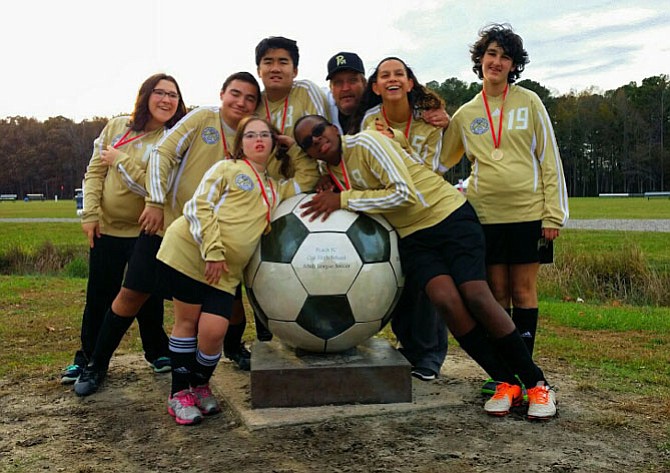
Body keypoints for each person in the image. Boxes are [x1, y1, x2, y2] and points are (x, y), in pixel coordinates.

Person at [294, 114, 558, 420]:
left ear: (333, 128)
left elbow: (404, 194)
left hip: (448, 216)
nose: (315, 139)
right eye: (306, 141)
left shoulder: (367, 142)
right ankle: (506, 382)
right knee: (446, 301)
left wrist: (343, 200)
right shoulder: (328, 171)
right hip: (414, 238)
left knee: (475, 295)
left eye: (318, 130)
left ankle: (537, 383)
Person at [73, 73, 261, 397]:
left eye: (249, 98)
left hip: (216, 238)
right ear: (222, 94)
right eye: (235, 94)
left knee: (228, 302)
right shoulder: (202, 118)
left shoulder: (253, 135)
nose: (240, 102)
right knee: (131, 295)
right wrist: (156, 202)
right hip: (168, 229)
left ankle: (234, 349)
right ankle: (96, 364)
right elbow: (162, 153)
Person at [158, 116, 319, 425]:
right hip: (192, 253)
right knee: (188, 324)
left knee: (214, 333)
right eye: (250, 135)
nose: (258, 140)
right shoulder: (226, 169)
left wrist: (293, 146)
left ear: (273, 143)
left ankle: (200, 385)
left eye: (265, 135)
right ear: (240, 143)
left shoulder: (274, 189)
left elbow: (308, 177)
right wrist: (214, 251)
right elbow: (198, 206)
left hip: (227, 272)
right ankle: (179, 395)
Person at [441, 24, 569, 394]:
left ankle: (520, 373)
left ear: (514, 65)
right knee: (496, 294)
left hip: (529, 213)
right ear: (480, 60)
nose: (496, 61)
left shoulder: (529, 102)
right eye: (491, 54)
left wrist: (553, 213)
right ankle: (506, 378)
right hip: (486, 216)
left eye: (505, 56)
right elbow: (442, 160)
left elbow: (549, 158)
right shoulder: (466, 114)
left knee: (524, 291)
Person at [61, 73, 187, 386]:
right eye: (160, 92)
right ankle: (87, 356)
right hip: (107, 229)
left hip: (148, 229)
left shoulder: (174, 139)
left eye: (173, 95)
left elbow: (156, 186)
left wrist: (120, 161)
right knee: (99, 295)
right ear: (146, 96)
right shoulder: (118, 126)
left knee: (147, 293)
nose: (166, 100)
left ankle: (157, 352)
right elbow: (93, 173)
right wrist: (90, 214)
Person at [341, 54, 453, 380]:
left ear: (410, 82)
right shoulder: (370, 120)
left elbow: (430, 170)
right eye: (385, 74)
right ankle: (408, 346)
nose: (392, 79)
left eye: (399, 73)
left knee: (428, 282)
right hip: (391, 210)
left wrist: (398, 144)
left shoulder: (429, 119)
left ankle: (431, 355)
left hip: (425, 211)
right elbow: (369, 164)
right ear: (375, 87)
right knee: (399, 282)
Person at [252, 35, 326, 340]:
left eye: (283, 61)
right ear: (258, 69)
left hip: (304, 193)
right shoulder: (252, 101)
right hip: (264, 196)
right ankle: (266, 338)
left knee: (307, 265)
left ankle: (314, 331)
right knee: (265, 267)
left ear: (295, 69)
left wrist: (326, 175)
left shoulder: (305, 91)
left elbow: (325, 132)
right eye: (268, 61)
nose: (275, 68)